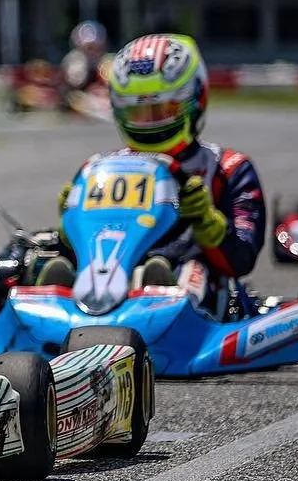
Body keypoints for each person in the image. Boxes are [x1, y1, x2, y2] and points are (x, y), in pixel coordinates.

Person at [44, 33, 266, 315]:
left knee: (190, 269)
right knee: (48, 261)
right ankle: (56, 297)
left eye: (161, 110)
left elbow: (242, 257)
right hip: (107, 273)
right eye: (137, 112)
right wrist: (72, 224)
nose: (149, 122)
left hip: (192, 287)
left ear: (195, 99)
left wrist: (205, 221)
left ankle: (160, 296)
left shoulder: (229, 168)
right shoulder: (99, 168)